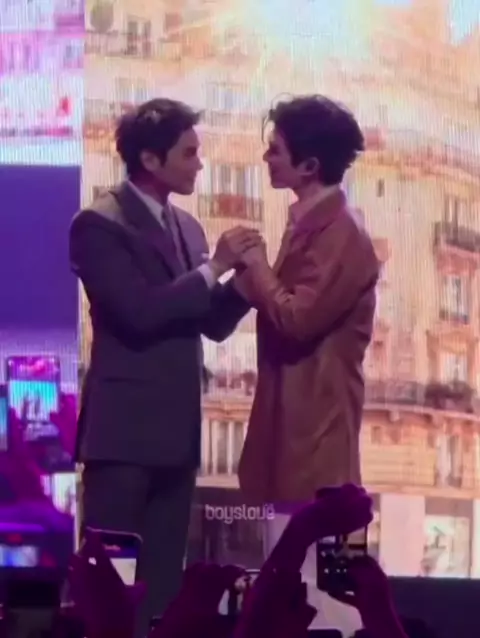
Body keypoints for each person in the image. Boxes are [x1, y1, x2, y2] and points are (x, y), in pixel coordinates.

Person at [69, 98, 257, 636]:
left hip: (177, 435)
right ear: (151, 160)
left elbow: (210, 322)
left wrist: (246, 283)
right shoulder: (98, 224)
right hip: (123, 436)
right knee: (110, 587)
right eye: (189, 153)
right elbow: (138, 313)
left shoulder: (189, 228)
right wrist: (216, 268)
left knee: (163, 589)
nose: (200, 164)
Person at [233, 95, 380, 634]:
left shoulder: (343, 233)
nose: (266, 158)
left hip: (316, 436)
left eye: (276, 150)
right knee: (291, 588)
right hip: (291, 426)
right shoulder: (309, 225)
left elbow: (297, 319)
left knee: (315, 596)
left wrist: (255, 268)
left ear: (310, 165)